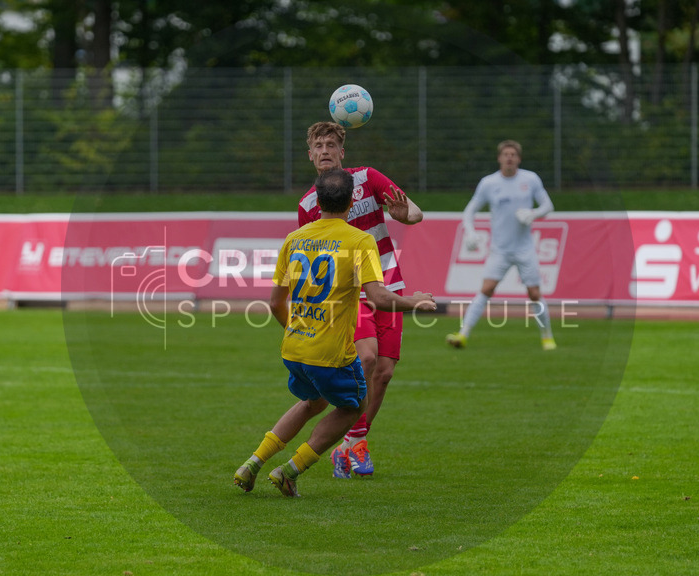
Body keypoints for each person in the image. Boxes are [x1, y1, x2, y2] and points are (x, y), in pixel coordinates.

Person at [233, 168, 436, 497]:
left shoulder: (294, 239)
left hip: (294, 348)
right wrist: (416, 302)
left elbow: (274, 303)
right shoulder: (359, 240)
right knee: (354, 407)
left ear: (318, 198)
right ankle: (290, 470)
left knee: (311, 403)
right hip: (330, 352)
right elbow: (379, 298)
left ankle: (252, 463)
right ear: (352, 200)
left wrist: (298, 330)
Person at [297, 121, 424, 479]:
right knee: (366, 356)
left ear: (342, 152)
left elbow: (413, 211)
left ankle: (352, 442)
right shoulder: (308, 204)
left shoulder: (368, 178)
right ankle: (354, 438)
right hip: (349, 296)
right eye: (318, 145)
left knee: (383, 373)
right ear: (310, 155)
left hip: (388, 285)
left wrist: (405, 217)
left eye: (330, 145)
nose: (324, 150)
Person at [446, 139, 557, 351]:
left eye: (513, 155)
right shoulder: (489, 183)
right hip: (500, 250)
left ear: (519, 159)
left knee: (534, 293)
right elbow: (470, 211)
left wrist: (533, 213)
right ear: (499, 158)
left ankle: (547, 337)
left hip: (525, 249)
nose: (509, 158)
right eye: (506, 154)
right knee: (486, 289)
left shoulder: (530, 179)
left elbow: (547, 205)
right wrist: (470, 231)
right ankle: (463, 334)